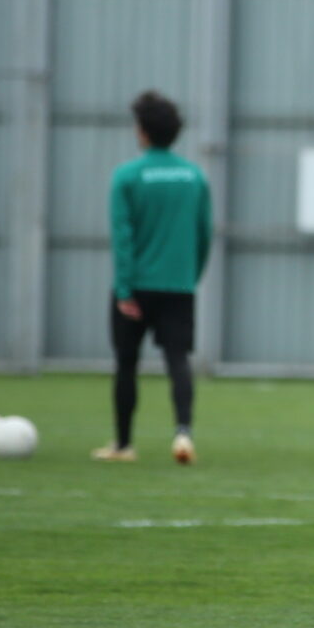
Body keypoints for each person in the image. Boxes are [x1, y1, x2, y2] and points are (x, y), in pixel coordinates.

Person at [93, 91, 213, 466]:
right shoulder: (194, 176)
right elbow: (205, 233)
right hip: (179, 285)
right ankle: (183, 433)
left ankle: (124, 444)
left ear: (143, 131)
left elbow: (123, 237)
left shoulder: (127, 176)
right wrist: (191, 276)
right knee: (178, 360)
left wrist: (124, 289)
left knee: (127, 363)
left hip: (137, 286)